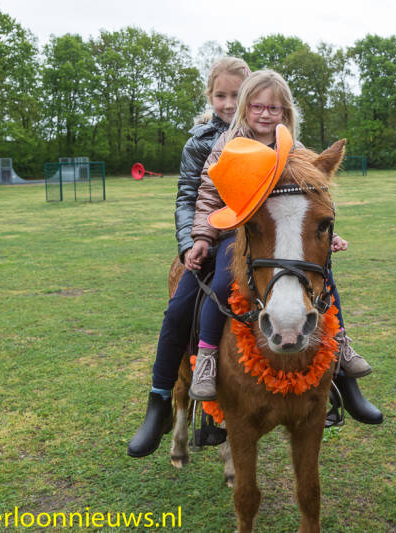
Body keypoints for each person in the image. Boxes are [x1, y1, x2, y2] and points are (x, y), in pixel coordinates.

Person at [187, 69, 383, 425]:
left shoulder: (297, 152)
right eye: (258, 106)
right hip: (241, 232)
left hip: (288, 235)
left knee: (323, 275)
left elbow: (313, 208)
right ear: (246, 108)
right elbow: (207, 194)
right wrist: (202, 236)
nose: (265, 114)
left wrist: (326, 235)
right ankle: (207, 357)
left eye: (274, 109)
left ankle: (340, 343)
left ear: (286, 114)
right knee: (219, 283)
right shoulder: (228, 146)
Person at [127, 57, 251, 458]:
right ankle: (160, 400)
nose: (229, 103)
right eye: (221, 95)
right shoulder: (199, 142)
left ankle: (336, 379)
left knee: (316, 285)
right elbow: (186, 198)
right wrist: (189, 243)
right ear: (209, 96)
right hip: (211, 241)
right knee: (179, 308)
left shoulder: (267, 132)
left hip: (260, 241)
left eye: (237, 94)